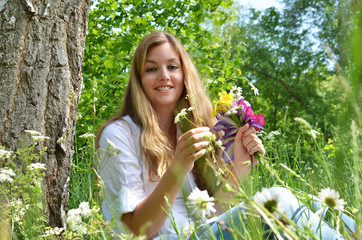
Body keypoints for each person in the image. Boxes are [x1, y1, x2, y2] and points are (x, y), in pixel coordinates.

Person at [95, 32, 356, 240]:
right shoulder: (118, 135)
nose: (164, 76)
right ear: (139, 79)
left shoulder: (188, 127)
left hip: (204, 232)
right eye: (151, 69)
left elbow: (215, 212)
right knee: (279, 200)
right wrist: (177, 167)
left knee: (329, 211)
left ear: (184, 75)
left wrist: (241, 165)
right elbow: (138, 231)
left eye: (172, 67)